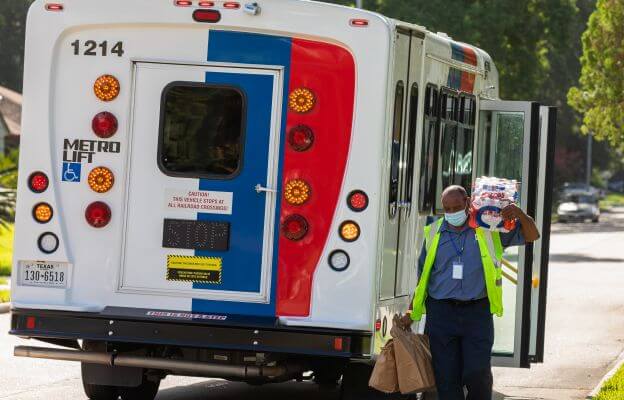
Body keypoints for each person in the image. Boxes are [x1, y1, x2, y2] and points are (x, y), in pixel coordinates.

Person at [401, 185, 540, 400]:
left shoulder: (489, 229)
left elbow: (533, 235)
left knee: (477, 374)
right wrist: (410, 314)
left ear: (468, 202)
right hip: (441, 314)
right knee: (446, 378)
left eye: (456, 207)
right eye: (447, 209)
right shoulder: (434, 232)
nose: (452, 213)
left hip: (477, 313)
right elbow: (424, 278)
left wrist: (520, 214)